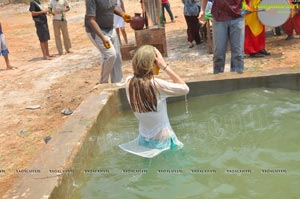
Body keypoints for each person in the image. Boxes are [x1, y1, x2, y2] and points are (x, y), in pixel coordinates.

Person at [119, 45, 189, 158]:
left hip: (144, 140)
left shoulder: (129, 82)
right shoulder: (157, 84)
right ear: (154, 63)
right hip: (164, 141)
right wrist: (165, 67)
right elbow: (185, 88)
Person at [85, 0, 131, 84]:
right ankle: (103, 82)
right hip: (96, 31)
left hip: (110, 28)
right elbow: (91, 20)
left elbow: (113, 7)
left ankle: (118, 83)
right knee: (110, 55)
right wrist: (102, 37)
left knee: (117, 56)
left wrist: (122, 14)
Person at [199, 0, 245, 74]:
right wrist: (202, 10)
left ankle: (237, 81)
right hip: (219, 18)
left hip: (237, 17)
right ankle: (218, 80)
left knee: (238, 54)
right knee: (218, 54)